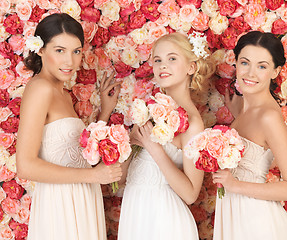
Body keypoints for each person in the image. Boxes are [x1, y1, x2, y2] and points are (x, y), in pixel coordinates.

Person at [16, 13, 122, 240]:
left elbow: (74, 152)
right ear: (41, 50)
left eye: (76, 51)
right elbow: (25, 166)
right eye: (59, 50)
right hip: (60, 203)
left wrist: (105, 112)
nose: (70, 62)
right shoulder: (40, 89)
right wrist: (93, 176)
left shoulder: (62, 93)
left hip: (81, 197)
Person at [117, 32, 215, 240]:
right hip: (135, 214)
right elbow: (123, 177)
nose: (163, 65)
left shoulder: (193, 122)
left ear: (191, 67)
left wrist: (154, 149)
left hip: (163, 220)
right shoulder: (149, 111)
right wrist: (131, 142)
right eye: (158, 60)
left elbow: (190, 194)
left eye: (172, 59)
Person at [212, 31, 287, 240]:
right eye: (245, 63)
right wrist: (238, 116)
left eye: (262, 66)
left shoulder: (268, 116)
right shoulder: (248, 108)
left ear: (275, 71)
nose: (250, 73)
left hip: (256, 223)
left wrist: (235, 185)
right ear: (236, 63)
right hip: (236, 215)